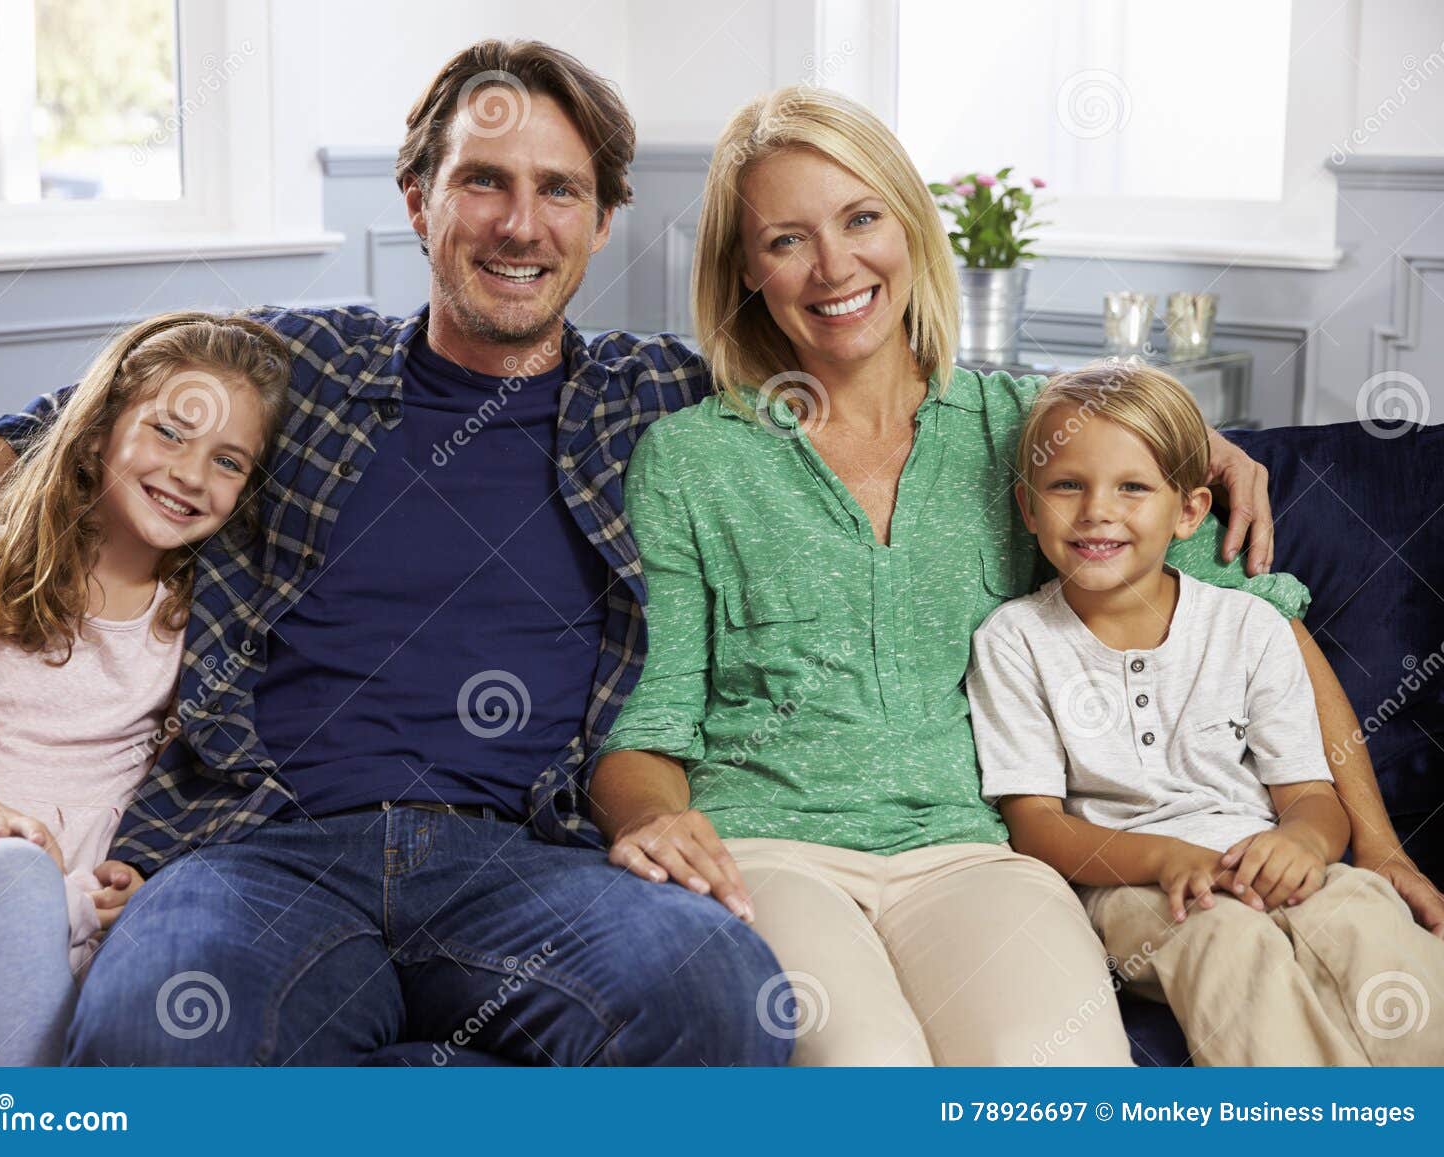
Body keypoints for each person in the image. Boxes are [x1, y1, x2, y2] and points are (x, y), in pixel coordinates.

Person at [0, 40, 797, 1066]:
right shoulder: (303, 362)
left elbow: (853, 396)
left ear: (605, 219)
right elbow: (66, 418)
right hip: (262, 842)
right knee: (151, 1029)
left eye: (558, 189)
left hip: (527, 849)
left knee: (719, 996)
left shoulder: (659, 397)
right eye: (483, 179)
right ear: (416, 199)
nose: (521, 223)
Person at [588, 84, 1432, 1066]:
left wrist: (1377, 844)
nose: (835, 265)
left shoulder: (1033, 429)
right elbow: (653, 716)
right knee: (866, 1067)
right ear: (743, 267)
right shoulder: (690, 458)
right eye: (786, 239)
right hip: (771, 850)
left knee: (1054, 1072)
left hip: (979, 852)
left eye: (862, 218)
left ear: (910, 226)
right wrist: (653, 816)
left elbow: (1267, 623)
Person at [0, 311, 290, 1065]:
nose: (189, 473)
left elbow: (204, 783)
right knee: (13, 874)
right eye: (169, 432)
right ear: (95, 438)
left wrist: (142, 875)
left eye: (228, 460)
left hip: (73, 890)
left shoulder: (201, 621)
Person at [967, 364, 1444, 1065]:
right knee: (1232, 943)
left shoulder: (1249, 626)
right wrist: (1167, 857)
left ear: (1188, 511)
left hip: (1260, 851)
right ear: (1029, 506)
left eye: (1133, 486)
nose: (1098, 508)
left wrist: (1305, 844)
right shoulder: (1015, 640)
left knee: (1367, 917)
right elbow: (1036, 826)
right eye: (1068, 484)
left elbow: (1312, 795)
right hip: (1133, 884)